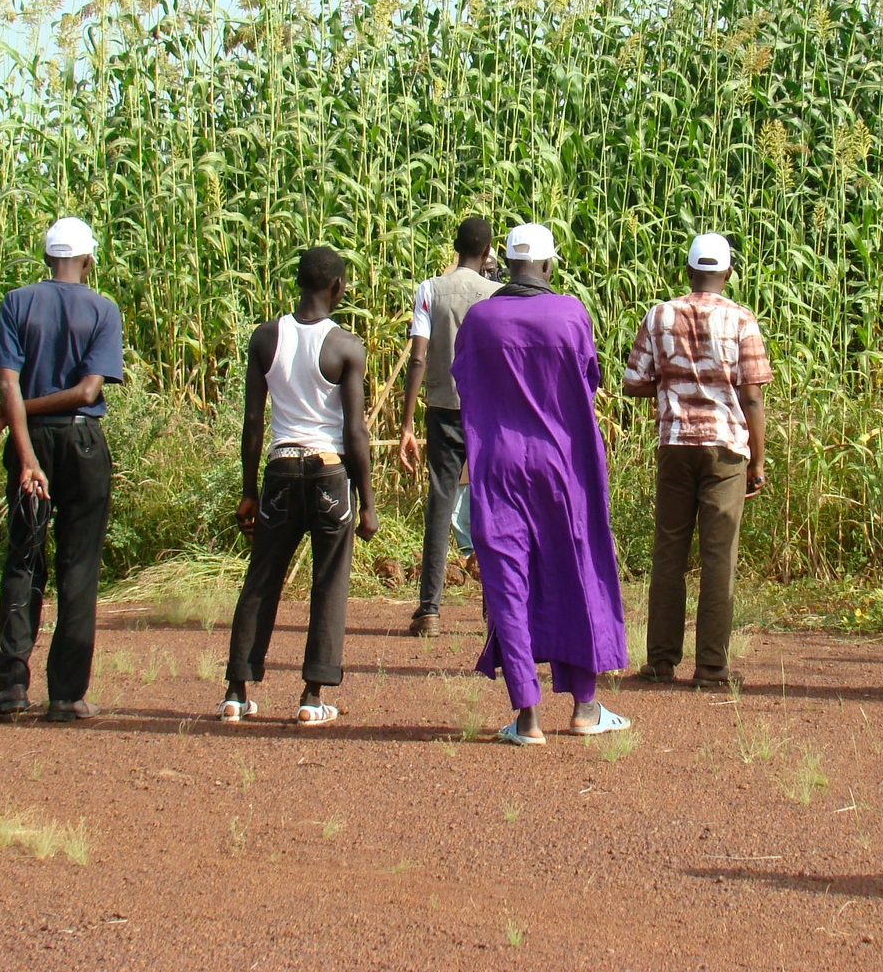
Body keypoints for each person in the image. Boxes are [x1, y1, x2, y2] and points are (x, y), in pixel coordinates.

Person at [452, 223, 629, 744]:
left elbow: (464, 383)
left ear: (504, 265)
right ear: (549, 266)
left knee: (508, 576)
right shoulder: (571, 313)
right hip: (563, 462)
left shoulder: (481, 319)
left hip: (499, 461)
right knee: (576, 565)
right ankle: (585, 707)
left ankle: (526, 717)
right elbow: (589, 379)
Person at [221, 246, 379, 724]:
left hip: (281, 470)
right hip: (330, 471)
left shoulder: (265, 338)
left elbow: (252, 423)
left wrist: (249, 489)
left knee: (262, 578)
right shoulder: (346, 346)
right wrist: (367, 502)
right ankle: (312, 695)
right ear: (336, 287)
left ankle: (236, 690)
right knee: (328, 582)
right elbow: (355, 432)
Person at [0, 217, 124, 723]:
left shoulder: (18, 302)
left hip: (29, 441)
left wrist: (18, 438)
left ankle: (11, 687)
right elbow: (89, 392)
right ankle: (65, 694)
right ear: (89, 259)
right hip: (83, 442)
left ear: (47, 258)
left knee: (23, 558)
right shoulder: (103, 309)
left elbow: (7, 387)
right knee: (78, 565)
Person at [623, 233, 771, 689]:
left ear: (687, 272)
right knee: (718, 556)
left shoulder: (660, 314)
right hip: (725, 448)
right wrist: (758, 461)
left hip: (675, 444)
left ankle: (661, 661)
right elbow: (751, 395)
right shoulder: (742, 320)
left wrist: (670, 387)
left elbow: (633, 382)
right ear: (727, 274)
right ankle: (710, 666)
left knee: (669, 552)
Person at [397, 217, 499, 636]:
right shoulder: (497, 294)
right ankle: (494, 610)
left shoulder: (429, 290)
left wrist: (406, 424)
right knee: (492, 505)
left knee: (440, 502)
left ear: (455, 247)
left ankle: (430, 610)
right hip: (486, 411)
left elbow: (417, 358)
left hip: (442, 407)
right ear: (488, 251)